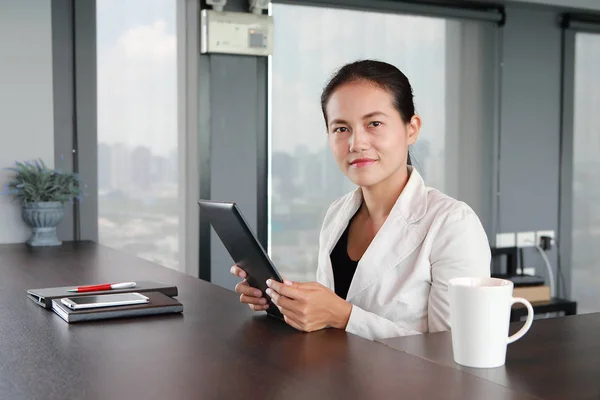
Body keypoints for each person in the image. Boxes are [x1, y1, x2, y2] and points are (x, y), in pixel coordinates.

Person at [231, 59, 491, 340]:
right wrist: (284, 303)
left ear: (412, 128)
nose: (357, 143)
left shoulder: (452, 224)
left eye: (374, 123)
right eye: (341, 129)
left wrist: (344, 316)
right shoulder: (337, 213)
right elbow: (327, 323)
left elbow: (455, 352)